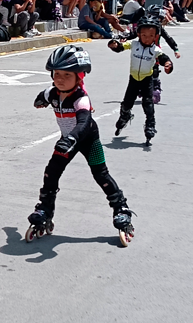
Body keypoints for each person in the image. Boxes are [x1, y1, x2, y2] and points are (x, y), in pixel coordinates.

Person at [25, 45, 134, 243]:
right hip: (67, 141)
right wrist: (40, 101)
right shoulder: (52, 93)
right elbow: (42, 97)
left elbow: (84, 122)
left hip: (87, 139)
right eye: (57, 74)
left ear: (79, 76)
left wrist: (72, 138)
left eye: (67, 75)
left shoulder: (80, 99)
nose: (60, 79)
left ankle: (121, 208)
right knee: (51, 173)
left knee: (101, 174)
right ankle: (45, 209)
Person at [108, 12, 172, 145]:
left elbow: (163, 58)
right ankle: (125, 115)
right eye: (144, 35)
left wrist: (168, 64)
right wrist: (115, 45)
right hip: (133, 79)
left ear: (156, 36)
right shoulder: (134, 44)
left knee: (148, 104)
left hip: (147, 80)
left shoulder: (155, 50)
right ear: (138, 34)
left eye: (151, 36)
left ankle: (150, 124)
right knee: (127, 103)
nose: (147, 39)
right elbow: (121, 47)